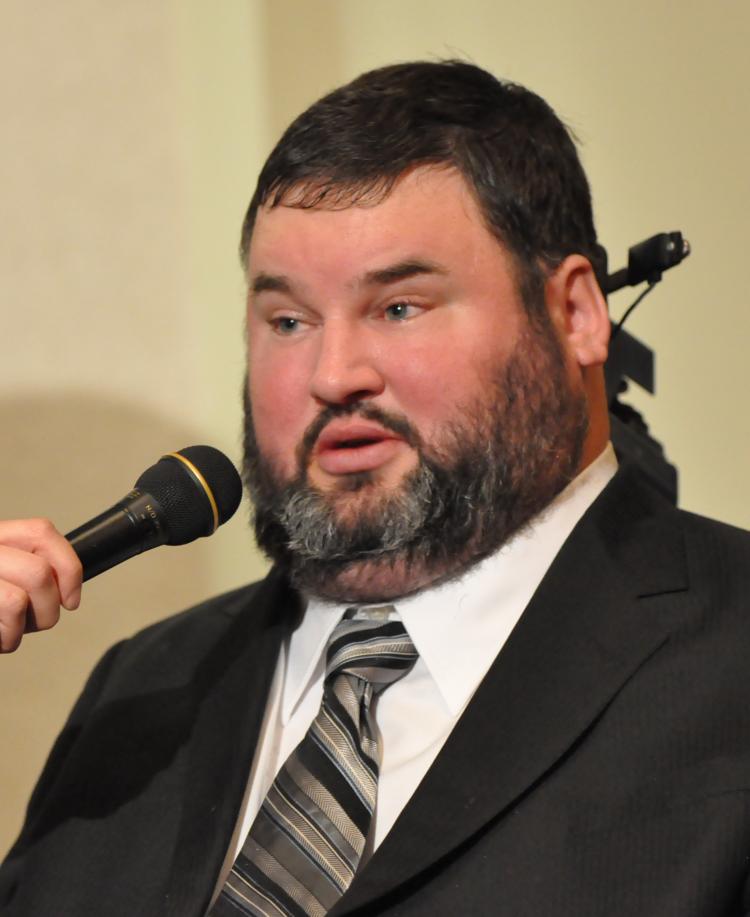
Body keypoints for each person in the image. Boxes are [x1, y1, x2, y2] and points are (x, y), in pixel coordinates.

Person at [1, 60, 749, 917]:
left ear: (577, 313)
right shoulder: (144, 692)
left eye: (399, 307)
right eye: (289, 321)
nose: (332, 375)